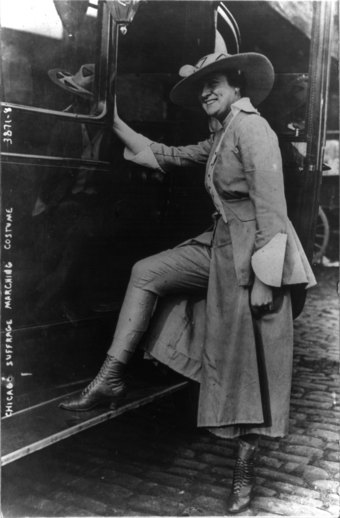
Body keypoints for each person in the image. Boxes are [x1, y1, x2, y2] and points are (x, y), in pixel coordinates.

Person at [59, 52, 316, 513]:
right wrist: (110, 116)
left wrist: (264, 279)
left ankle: (244, 471)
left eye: (213, 83)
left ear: (237, 85)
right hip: (217, 247)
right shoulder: (222, 134)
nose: (205, 92)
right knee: (147, 272)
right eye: (201, 87)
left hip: (255, 257)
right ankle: (110, 378)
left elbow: (273, 211)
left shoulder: (253, 129)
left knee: (249, 367)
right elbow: (169, 154)